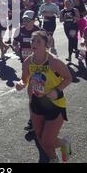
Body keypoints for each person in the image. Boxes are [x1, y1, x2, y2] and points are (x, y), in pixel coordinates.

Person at [16, 30, 73, 163]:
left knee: (47, 142)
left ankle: (65, 144)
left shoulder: (54, 62)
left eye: (38, 41)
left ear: (45, 44)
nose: (33, 43)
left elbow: (69, 78)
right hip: (36, 103)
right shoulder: (28, 62)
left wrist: (57, 91)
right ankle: (53, 158)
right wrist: (20, 84)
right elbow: (24, 79)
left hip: (54, 104)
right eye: (32, 41)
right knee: (40, 138)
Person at [12, 10, 41, 132]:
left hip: (38, 65)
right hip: (26, 65)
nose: (25, 22)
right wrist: (15, 46)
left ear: (34, 19)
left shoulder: (39, 31)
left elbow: (47, 45)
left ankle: (35, 119)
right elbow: (15, 42)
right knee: (32, 94)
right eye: (24, 19)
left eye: (28, 19)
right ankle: (34, 119)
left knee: (36, 93)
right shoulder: (20, 30)